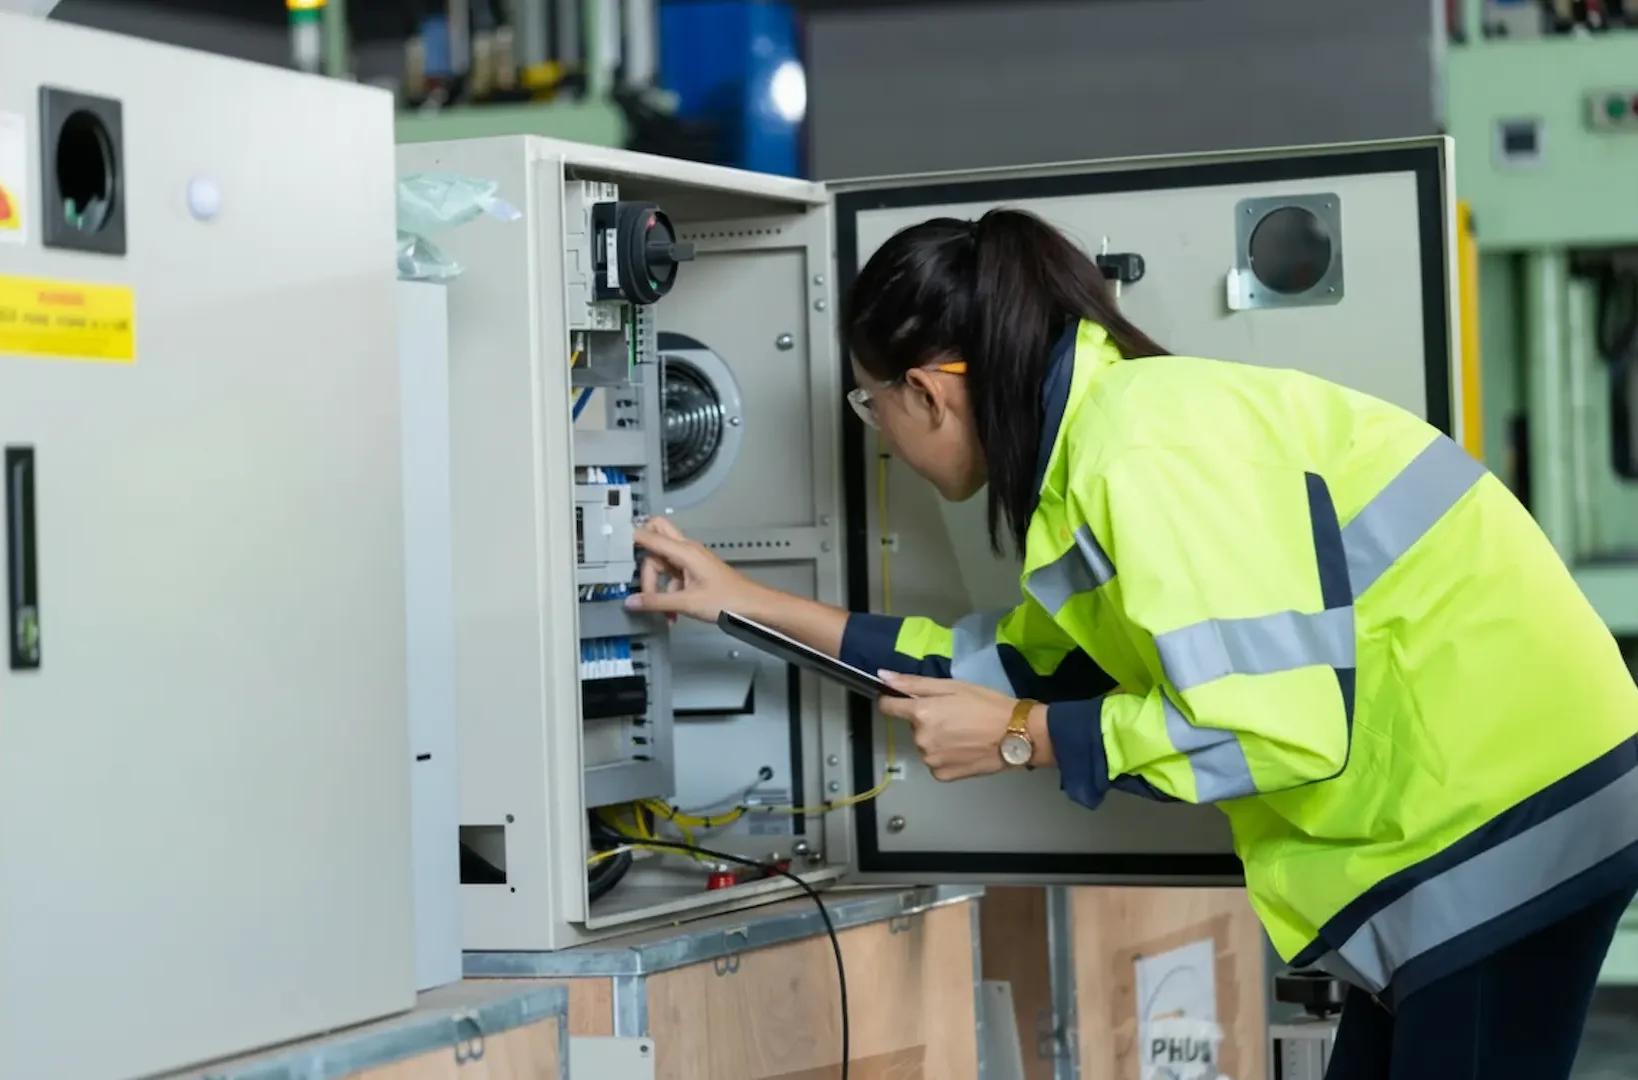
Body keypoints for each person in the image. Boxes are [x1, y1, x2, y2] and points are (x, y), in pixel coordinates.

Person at [624, 208, 1638, 1079]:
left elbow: (1278, 734)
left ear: (930, 391)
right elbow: (1001, 665)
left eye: (873, 403)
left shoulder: (1143, 454)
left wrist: (1025, 737)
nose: (880, 429)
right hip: (1462, 820)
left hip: (1502, 818)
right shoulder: (1090, 461)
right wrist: (737, 602)